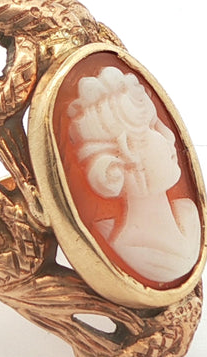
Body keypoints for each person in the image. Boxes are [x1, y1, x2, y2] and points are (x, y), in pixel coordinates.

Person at [67, 66, 200, 282]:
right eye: (152, 128)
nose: (169, 135)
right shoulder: (125, 247)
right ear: (126, 152)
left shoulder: (189, 214)